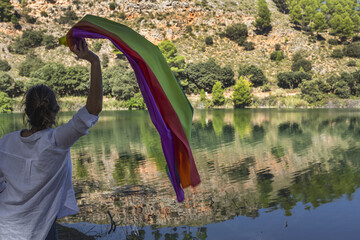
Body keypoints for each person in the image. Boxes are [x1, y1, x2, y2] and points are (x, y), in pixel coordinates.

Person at [0, 39, 102, 240]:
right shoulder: (57, 142)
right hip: (38, 230)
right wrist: (94, 62)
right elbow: (92, 110)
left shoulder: (5, 143)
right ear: (55, 111)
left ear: (26, 111)